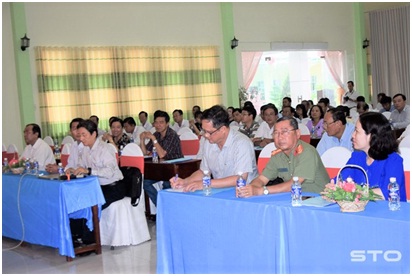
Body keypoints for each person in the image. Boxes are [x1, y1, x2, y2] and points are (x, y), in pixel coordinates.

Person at [170, 105, 258, 192]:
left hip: (244, 194)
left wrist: (206, 183)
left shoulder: (242, 143)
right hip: (219, 192)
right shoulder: (208, 142)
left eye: (209, 132)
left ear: (223, 129)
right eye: (203, 130)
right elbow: (203, 172)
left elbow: (240, 178)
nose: (205, 135)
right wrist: (184, 182)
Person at [236, 117, 329, 198]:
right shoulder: (277, 155)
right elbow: (261, 179)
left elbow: (293, 185)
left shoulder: (307, 152)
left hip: (317, 200)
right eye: (276, 133)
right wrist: (250, 188)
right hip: (294, 199)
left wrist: (261, 191)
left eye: (285, 132)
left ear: (297, 134)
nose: (280, 137)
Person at [337, 112, 406, 201]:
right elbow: (340, 180)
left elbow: (387, 193)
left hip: (389, 211)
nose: (352, 135)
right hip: (360, 210)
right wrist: (333, 187)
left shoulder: (393, 160)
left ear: (371, 136)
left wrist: (355, 192)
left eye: (357, 131)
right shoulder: (357, 157)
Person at [66, 119, 124, 209]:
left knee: (89, 205)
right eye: (79, 135)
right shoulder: (85, 148)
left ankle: (92, 223)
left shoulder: (105, 148)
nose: (81, 138)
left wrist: (88, 171)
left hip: (112, 187)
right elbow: (81, 166)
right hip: (96, 186)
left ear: (93, 134)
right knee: (74, 199)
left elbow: (109, 172)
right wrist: (74, 170)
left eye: (84, 135)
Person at [140, 110, 183, 206]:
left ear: (167, 124)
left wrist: (154, 139)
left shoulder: (172, 135)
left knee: (167, 185)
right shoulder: (156, 134)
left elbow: (162, 155)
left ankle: (165, 207)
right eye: (156, 122)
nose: (158, 125)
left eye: (161, 122)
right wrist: (142, 140)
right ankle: (160, 205)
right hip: (163, 169)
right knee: (144, 182)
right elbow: (145, 152)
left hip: (176, 169)